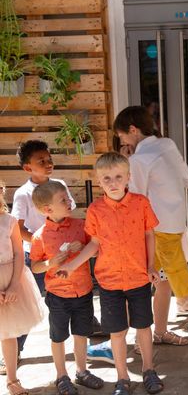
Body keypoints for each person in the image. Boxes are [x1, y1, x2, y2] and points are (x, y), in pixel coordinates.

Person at [113, 106, 188, 369]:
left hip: (156, 233)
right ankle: (154, 333)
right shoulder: (166, 144)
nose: (122, 141)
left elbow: (132, 199)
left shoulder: (138, 161)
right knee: (154, 283)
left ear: (133, 130)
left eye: (122, 135)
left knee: (184, 290)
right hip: (174, 228)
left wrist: (125, 166)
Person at [56, 152, 164, 395]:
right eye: (107, 178)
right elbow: (94, 244)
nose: (113, 183)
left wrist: (151, 266)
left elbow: (149, 234)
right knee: (116, 331)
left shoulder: (141, 203)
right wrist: (71, 265)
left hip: (138, 277)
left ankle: (149, 370)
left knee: (144, 326)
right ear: (98, 180)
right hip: (109, 280)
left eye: (118, 177)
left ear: (128, 177)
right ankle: (122, 378)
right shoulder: (95, 210)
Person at [3, 140, 77, 373]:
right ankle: (16, 351)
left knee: (68, 290)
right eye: (41, 161)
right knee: (24, 305)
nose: (48, 164)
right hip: (33, 257)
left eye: (49, 159)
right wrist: (39, 242)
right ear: (27, 168)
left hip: (63, 252)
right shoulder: (23, 194)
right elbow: (19, 227)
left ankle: (87, 325)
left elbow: (68, 212)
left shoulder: (60, 184)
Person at [30, 181, 104, 395]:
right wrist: (50, 263)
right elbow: (35, 267)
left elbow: (97, 250)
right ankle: (61, 375)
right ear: (48, 209)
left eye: (68, 196)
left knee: (82, 333)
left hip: (83, 291)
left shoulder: (81, 226)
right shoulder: (40, 236)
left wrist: (84, 248)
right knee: (58, 336)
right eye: (63, 200)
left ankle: (82, 371)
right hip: (58, 296)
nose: (69, 201)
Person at [0, 179, 45, 395]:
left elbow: (19, 253)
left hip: (10, 279)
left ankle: (12, 380)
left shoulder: (8, 221)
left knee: (8, 334)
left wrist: (14, 284)